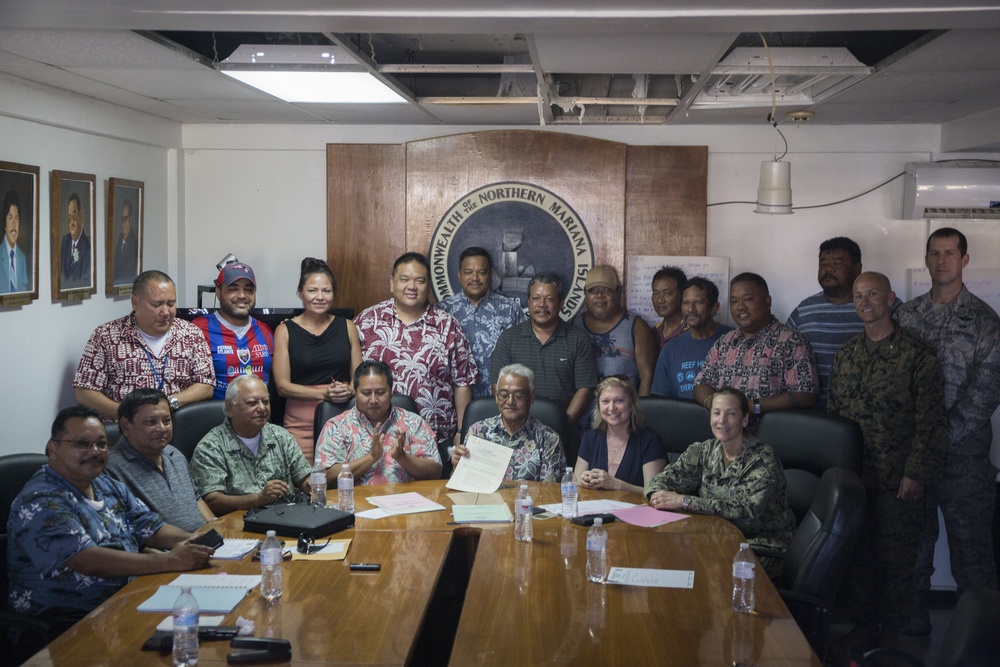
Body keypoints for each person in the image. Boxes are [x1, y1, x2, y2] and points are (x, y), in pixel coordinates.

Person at [7, 406, 214, 641]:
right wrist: (171, 560)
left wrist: (197, 542)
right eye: (82, 444)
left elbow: (151, 527)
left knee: (203, 625)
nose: (94, 451)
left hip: (126, 599)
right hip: (69, 621)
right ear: (53, 448)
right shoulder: (41, 499)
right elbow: (88, 560)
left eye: (101, 444)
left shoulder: (105, 483)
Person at [828, 271, 947, 637]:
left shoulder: (916, 355)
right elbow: (834, 417)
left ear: (891, 298)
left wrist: (916, 473)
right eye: (859, 296)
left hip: (899, 478)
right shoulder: (846, 354)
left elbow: (931, 422)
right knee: (858, 556)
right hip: (856, 476)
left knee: (900, 562)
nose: (865, 302)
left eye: (873, 294)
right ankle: (865, 635)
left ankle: (901, 640)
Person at [895, 227, 1000, 632]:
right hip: (911, 459)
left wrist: (933, 444)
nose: (942, 261)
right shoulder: (906, 316)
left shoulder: (987, 323)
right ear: (926, 260)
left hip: (965, 464)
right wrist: (917, 451)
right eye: (935, 253)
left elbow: (985, 395)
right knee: (912, 551)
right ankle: (910, 635)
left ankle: (983, 640)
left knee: (972, 557)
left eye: (951, 254)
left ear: (965, 260)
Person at [645, 387, 796, 578]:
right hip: (713, 537)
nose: (721, 421)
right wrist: (657, 496)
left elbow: (746, 512)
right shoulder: (703, 450)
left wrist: (686, 501)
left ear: (745, 420)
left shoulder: (762, 460)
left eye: (731, 414)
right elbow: (659, 481)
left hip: (759, 546)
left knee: (707, 571)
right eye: (716, 413)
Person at [354, 252, 477, 460]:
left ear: (428, 286)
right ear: (392, 283)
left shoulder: (448, 326)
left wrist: (460, 431)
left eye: (420, 281)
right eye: (404, 279)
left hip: (435, 440)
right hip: (375, 438)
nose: (412, 286)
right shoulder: (366, 322)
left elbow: (462, 383)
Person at [74, 270, 215, 421]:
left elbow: (206, 385)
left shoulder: (191, 333)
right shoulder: (106, 336)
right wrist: (127, 414)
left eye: (171, 304)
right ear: (135, 303)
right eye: (157, 304)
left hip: (177, 426)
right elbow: (84, 391)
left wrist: (171, 402)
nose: (166, 312)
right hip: (124, 430)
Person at [693, 272, 818, 430]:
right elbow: (701, 384)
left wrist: (754, 406)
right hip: (726, 438)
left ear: (768, 301)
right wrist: (717, 404)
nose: (740, 307)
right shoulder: (724, 342)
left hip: (774, 438)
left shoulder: (791, 341)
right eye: (734, 301)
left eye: (748, 299)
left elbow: (806, 395)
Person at [787, 237, 892, 409]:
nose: (828, 269)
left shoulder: (882, 306)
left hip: (870, 414)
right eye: (823, 263)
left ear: (857, 269)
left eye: (838, 263)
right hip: (814, 415)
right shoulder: (803, 310)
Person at [273, 257, 361, 461]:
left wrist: (348, 389)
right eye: (312, 290)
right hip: (299, 426)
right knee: (305, 484)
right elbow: (282, 386)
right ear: (300, 293)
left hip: (344, 420)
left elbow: (359, 379)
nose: (320, 297)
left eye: (326, 291)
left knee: (344, 482)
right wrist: (325, 395)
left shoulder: (348, 327)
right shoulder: (285, 330)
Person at [490, 272, 598, 434]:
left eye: (549, 299)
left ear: (561, 303)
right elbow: (497, 386)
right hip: (516, 429)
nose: (542, 305)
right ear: (528, 302)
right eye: (536, 299)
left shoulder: (578, 339)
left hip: (563, 431)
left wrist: (562, 423)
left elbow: (585, 388)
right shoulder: (508, 338)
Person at [190, 374, 313, 516]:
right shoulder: (210, 447)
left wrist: (311, 484)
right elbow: (212, 502)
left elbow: (303, 477)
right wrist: (258, 499)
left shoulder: (281, 436)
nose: (262, 408)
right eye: (252, 403)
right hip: (238, 526)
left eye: (266, 402)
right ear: (230, 408)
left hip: (287, 518)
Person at [316, 360, 442, 485]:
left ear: (391, 392)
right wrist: (371, 457)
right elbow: (324, 478)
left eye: (380, 393)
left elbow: (436, 472)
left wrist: (403, 457)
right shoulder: (337, 426)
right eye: (366, 393)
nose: (373, 400)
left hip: (404, 502)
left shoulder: (413, 422)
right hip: (355, 503)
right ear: (355, 392)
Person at [105, 388, 213, 532]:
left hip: (206, 543)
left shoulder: (175, 454)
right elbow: (127, 532)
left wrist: (216, 527)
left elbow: (196, 498)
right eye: (151, 422)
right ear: (126, 426)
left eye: (167, 421)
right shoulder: (111, 468)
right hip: (166, 551)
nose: (162, 428)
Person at [437, 246, 526, 399]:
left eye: (481, 272)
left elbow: (523, 357)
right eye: (468, 272)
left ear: (490, 275)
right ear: (459, 275)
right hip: (454, 401)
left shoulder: (510, 309)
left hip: (501, 400)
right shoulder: (442, 311)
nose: (475, 278)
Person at [452, 363, 565, 482]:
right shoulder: (478, 431)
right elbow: (463, 484)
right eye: (504, 395)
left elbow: (549, 493)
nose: (510, 401)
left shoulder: (548, 439)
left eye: (519, 395)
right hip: (486, 500)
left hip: (529, 500)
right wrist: (457, 466)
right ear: (496, 397)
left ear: (531, 397)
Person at [193, 261, 274, 401]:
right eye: (233, 289)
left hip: (259, 416)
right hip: (213, 418)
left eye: (248, 289)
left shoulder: (266, 331)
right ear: (218, 293)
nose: (242, 295)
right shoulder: (197, 329)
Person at [574, 376, 667, 494]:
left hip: (635, 511)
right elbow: (575, 484)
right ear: (598, 406)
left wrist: (616, 484)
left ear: (631, 405)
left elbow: (654, 494)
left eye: (619, 401)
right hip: (596, 510)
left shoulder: (650, 441)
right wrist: (582, 481)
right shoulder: (590, 438)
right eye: (605, 401)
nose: (612, 408)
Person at [573, 265, 657, 395]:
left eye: (606, 289)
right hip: (581, 413)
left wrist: (640, 414)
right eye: (593, 290)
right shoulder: (574, 325)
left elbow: (647, 379)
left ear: (618, 292)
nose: (599, 295)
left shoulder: (636, 327)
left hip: (622, 412)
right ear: (585, 293)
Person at [651, 277, 733, 400]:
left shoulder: (733, 339)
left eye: (698, 302)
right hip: (684, 419)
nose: (691, 309)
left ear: (714, 307)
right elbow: (662, 403)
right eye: (686, 303)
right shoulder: (671, 350)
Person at [650, 266, 688, 350]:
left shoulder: (692, 331)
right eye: (655, 294)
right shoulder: (654, 333)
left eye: (667, 293)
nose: (660, 300)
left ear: (682, 295)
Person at [59, 192, 91, 289]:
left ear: (80, 215)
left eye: (73, 216)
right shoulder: (65, 241)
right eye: (69, 218)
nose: (71, 222)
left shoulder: (87, 248)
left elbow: (83, 284)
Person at [1, 189, 29, 294]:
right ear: (4, 224)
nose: (14, 224)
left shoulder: (22, 258)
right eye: (10, 217)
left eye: (16, 218)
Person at [111, 197, 139, 284]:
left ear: (130, 220)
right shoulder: (120, 239)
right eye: (122, 218)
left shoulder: (134, 244)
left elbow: (128, 273)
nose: (123, 222)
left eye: (125, 218)